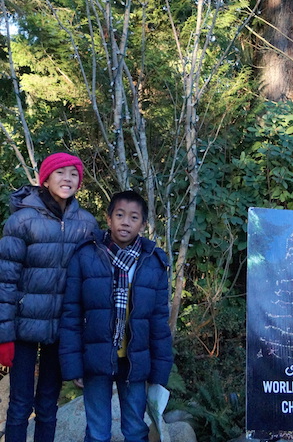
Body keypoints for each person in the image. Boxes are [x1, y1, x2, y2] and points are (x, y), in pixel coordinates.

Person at [59, 190, 173, 442]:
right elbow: (72, 314)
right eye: (120, 215)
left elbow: (158, 321)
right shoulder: (86, 255)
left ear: (143, 224)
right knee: (97, 431)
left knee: (135, 428)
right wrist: (73, 364)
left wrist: (160, 370)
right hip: (96, 358)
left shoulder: (152, 261)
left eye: (134, 217)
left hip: (135, 361)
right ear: (108, 219)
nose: (125, 222)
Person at [0, 152, 99, 442]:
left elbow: (92, 283)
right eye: (60, 172)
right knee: (20, 405)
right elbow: (5, 281)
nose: (67, 178)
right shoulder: (21, 220)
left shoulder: (87, 224)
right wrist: (4, 335)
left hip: (62, 328)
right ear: (45, 178)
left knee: (47, 405)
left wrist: (84, 331)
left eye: (73, 173)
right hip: (23, 327)